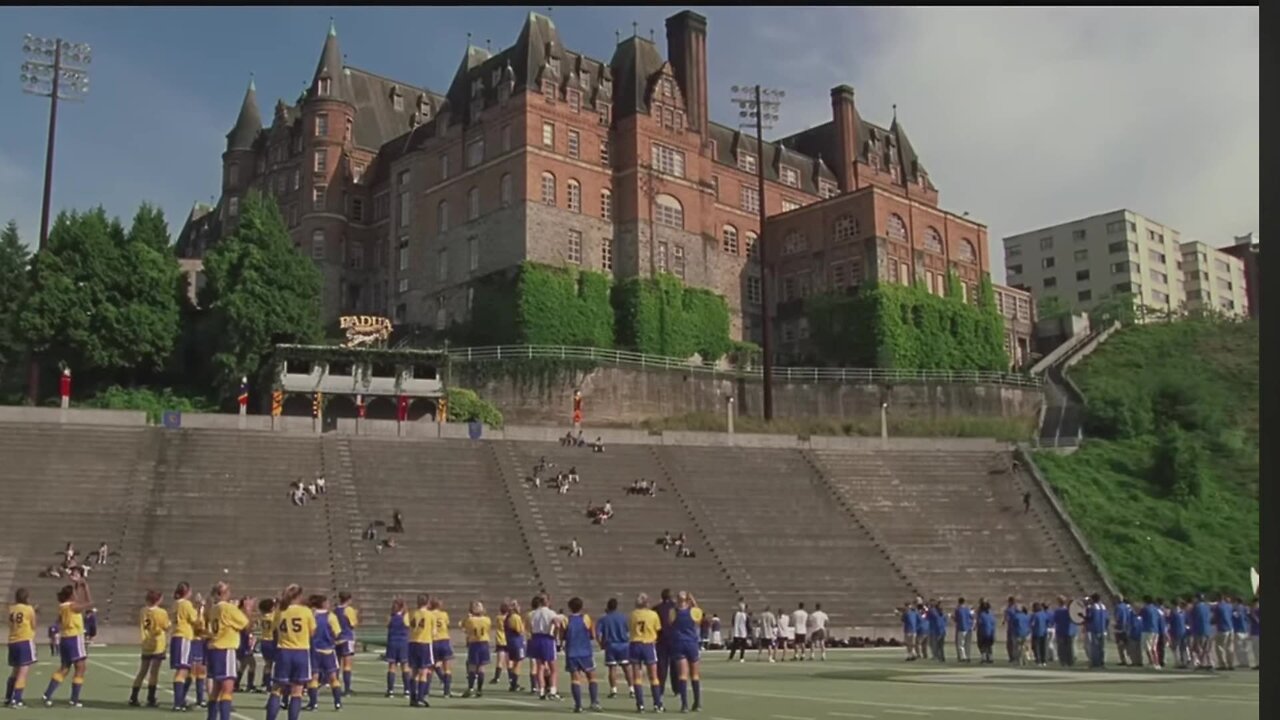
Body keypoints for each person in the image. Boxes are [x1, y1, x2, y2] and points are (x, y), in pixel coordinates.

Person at [40, 575, 93, 709]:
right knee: (80, 668)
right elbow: (89, 603)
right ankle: (74, 699)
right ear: (71, 596)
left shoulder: (63, 606)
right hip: (75, 638)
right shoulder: (72, 606)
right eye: (74, 593)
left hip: (65, 639)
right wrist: (85, 587)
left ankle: (48, 694)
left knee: (64, 668)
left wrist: (77, 586)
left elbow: (74, 603)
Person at [265, 584, 316, 720]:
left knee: (277, 689)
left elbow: (274, 630)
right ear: (299, 596)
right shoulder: (306, 611)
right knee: (297, 691)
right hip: (301, 652)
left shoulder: (280, 611)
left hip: (284, 651)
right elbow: (312, 632)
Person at [205, 581, 252, 720]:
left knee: (215, 690)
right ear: (223, 593)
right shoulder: (228, 608)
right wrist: (248, 609)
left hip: (214, 648)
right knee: (227, 689)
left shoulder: (214, 608)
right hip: (225, 650)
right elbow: (246, 625)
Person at [128, 590, 170, 707]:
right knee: (154, 672)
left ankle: (133, 696)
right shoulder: (162, 612)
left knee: (142, 671)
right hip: (158, 644)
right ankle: (151, 698)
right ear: (158, 600)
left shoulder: (143, 611)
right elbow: (165, 626)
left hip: (146, 642)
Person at [306, 594, 345, 711]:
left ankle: (314, 704)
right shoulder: (331, 616)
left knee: (314, 678)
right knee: (333, 677)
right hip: (328, 650)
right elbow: (337, 632)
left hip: (314, 650)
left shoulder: (311, 615)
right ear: (323, 604)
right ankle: (337, 703)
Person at [562, 597, 601, 712]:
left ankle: (578, 705)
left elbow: (562, 636)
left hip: (572, 653)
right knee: (591, 676)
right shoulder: (586, 618)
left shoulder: (566, 620)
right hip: (585, 652)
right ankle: (594, 702)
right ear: (581, 607)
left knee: (575, 679)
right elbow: (592, 635)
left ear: (570, 607)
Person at [668, 591, 703, 713]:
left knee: (682, 675)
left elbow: (670, 623)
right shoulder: (693, 611)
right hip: (691, 643)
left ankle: (684, 705)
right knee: (695, 674)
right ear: (687, 600)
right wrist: (693, 601)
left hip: (679, 643)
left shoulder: (673, 612)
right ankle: (697, 703)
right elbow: (699, 616)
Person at [628, 593, 663, 712]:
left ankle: (640, 705)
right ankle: (657, 704)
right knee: (653, 676)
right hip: (648, 644)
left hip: (635, 645)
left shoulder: (633, 614)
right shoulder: (653, 614)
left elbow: (630, 628)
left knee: (637, 677)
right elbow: (658, 629)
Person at [4, 588, 37, 709]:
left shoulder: (12, 609)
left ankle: (8, 697)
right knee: (23, 671)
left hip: (13, 641)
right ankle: (17, 700)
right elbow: (34, 625)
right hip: (24, 640)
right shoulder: (29, 609)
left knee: (15, 671)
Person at [528, 594, 562, 700]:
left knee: (540, 667)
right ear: (547, 601)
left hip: (536, 638)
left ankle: (541, 691)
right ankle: (552, 690)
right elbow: (557, 625)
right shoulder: (551, 613)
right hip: (547, 639)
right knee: (553, 667)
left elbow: (530, 627)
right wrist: (555, 636)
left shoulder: (533, 613)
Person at [595, 598, 630, 699]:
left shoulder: (604, 619)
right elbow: (627, 631)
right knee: (626, 668)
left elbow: (598, 634)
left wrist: (601, 644)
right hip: (623, 644)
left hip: (611, 645)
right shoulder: (623, 617)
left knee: (612, 668)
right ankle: (632, 689)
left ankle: (614, 690)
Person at [407, 594, 435, 707]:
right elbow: (434, 632)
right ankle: (420, 698)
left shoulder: (412, 613)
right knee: (423, 672)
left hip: (413, 643)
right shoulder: (430, 615)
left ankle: (412, 697)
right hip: (424, 643)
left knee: (414, 672)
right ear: (428, 603)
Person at [461, 601, 492, 698]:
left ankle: (470, 688)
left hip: (474, 644)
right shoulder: (487, 620)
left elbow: (463, 627)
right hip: (484, 643)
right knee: (481, 667)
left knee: (472, 667)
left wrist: (468, 617)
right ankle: (479, 690)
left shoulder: (470, 620)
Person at [427, 597, 455, 698]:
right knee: (447, 668)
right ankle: (446, 692)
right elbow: (446, 624)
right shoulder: (444, 614)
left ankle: (426, 690)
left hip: (433, 641)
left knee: (430, 667)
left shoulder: (428, 614)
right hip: (444, 640)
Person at [383, 599, 411, 698]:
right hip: (403, 643)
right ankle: (407, 690)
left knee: (392, 666)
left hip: (392, 643)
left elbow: (387, 626)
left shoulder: (390, 617)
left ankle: (390, 690)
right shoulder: (405, 617)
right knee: (405, 666)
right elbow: (408, 626)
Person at [333, 592, 358, 696]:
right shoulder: (349, 610)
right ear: (349, 599)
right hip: (347, 638)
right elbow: (353, 624)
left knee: (337, 664)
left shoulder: (335, 610)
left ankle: (336, 686)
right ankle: (347, 688)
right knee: (347, 665)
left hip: (337, 638)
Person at [503, 599, 527, 693]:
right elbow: (519, 630)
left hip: (510, 642)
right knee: (518, 663)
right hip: (517, 642)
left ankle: (513, 682)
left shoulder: (507, 617)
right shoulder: (515, 617)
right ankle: (514, 684)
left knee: (514, 663)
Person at [256, 598, 277, 696]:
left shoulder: (262, 617)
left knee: (267, 664)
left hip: (264, 641)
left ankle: (266, 683)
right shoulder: (274, 617)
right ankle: (273, 682)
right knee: (276, 663)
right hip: (272, 641)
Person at [1190, 593, 1213, 670]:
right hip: (1208, 629)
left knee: (1198, 647)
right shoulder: (1207, 607)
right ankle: (1209, 662)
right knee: (1206, 648)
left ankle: (1202, 663)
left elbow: (1192, 619)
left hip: (1199, 630)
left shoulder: (1196, 607)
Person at [1085, 593, 1108, 668]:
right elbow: (1107, 618)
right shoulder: (1103, 607)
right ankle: (1102, 662)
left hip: (1095, 629)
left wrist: (1082, 617)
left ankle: (1095, 663)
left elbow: (1089, 617)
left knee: (1094, 647)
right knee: (1102, 647)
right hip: (1103, 629)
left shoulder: (1093, 607)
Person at [1213, 594, 1236, 670]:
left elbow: (1215, 618)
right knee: (1230, 647)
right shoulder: (1229, 606)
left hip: (1222, 628)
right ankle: (1231, 664)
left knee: (1220, 647)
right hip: (1230, 628)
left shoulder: (1218, 607)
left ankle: (1223, 664)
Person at [953, 598, 974, 663]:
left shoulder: (958, 610)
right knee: (968, 644)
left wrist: (952, 617)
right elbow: (972, 617)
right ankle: (968, 656)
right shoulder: (968, 609)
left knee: (961, 644)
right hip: (969, 628)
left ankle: (963, 657)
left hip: (961, 628)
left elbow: (956, 619)